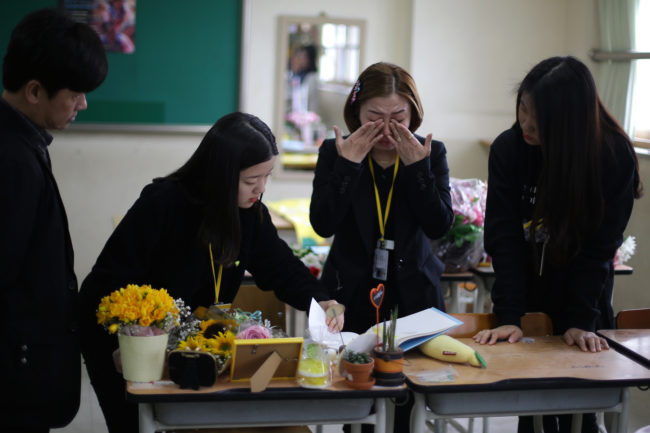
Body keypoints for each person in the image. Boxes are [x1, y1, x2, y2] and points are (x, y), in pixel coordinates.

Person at [79, 112, 344, 433]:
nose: (260, 189)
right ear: (221, 174)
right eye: (250, 180)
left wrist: (323, 301)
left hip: (190, 351)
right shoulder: (163, 204)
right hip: (130, 347)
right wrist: (126, 341)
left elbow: (283, 269)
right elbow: (109, 282)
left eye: (267, 176)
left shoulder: (250, 215)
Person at [473, 56, 642, 433]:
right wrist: (511, 317)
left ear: (569, 121)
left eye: (539, 117)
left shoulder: (612, 157)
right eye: (523, 108)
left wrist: (580, 320)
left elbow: (599, 249)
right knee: (531, 408)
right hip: (528, 291)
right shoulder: (510, 149)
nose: (526, 124)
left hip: (583, 290)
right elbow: (504, 240)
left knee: (579, 408)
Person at [309, 62, 454, 432]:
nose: (388, 128)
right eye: (375, 116)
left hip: (415, 295)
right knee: (358, 406)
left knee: (410, 401)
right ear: (356, 112)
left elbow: (439, 226)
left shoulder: (430, 153)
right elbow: (322, 224)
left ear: (414, 114)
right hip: (353, 295)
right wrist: (348, 165)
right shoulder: (335, 151)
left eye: (399, 116)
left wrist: (418, 170)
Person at [0, 8, 108, 433]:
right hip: (15, 377)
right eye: (75, 92)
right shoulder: (13, 160)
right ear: (33, 90)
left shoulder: (24, 143)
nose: (83, 104)